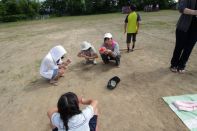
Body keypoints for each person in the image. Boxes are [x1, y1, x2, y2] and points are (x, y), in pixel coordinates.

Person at [170, 0, 197, 73]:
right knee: (179, 46)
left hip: (195, 29)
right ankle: (174, 64)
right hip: (183, 26)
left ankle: (181, 65)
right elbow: (181, 8)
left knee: (189, 48)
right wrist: (195, 12)